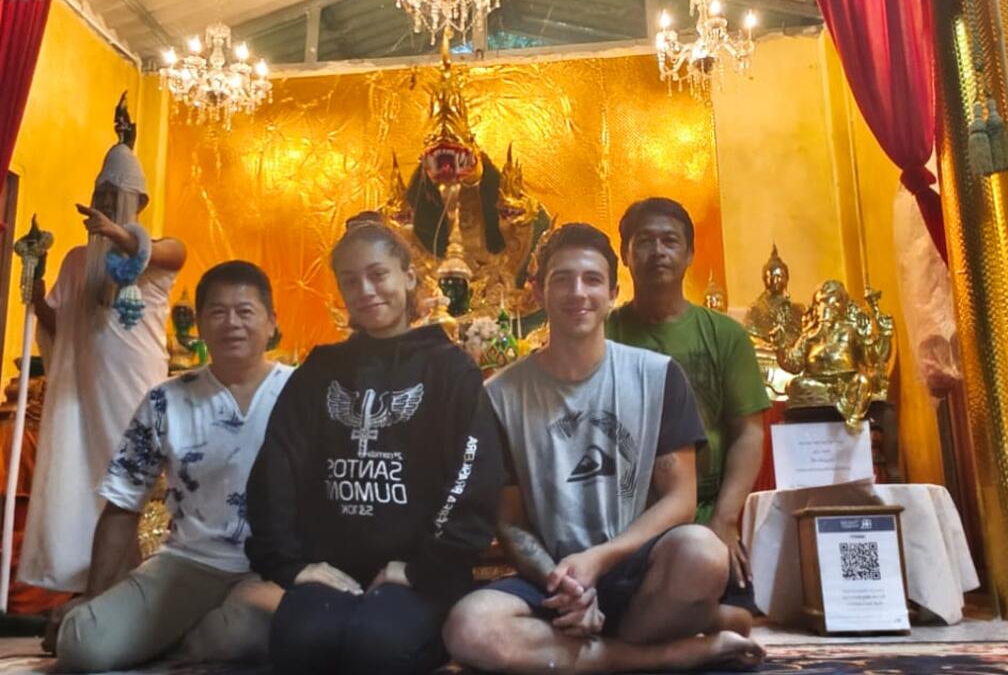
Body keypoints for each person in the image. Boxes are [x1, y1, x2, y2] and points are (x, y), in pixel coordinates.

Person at [444, 223, 764, 673]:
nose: (578, 292)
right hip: (554, 576)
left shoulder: (656, 375)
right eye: (562, 279)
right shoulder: (499, 395)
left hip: (638, 567)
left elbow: (680, 500)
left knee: (703, 553)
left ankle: (599, 649)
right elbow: (510, 521)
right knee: (468, 627)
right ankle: (678, 649)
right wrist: (566, 583)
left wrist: (599, 560)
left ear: (613, 293)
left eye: (592, 280)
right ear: (537, 292)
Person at [245, 219, 504, 675]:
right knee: (300, 641)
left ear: (408, 276)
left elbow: (472, 477)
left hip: (420, 573)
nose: (365, 290)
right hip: (333, 570)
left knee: (377, 648)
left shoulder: (449, 370)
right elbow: (278, 466)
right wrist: (290, 565)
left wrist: (422, 569)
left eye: (378, 274)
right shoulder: (321, 371)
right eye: (350, 280)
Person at [50, 261, 293, 671]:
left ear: (271, 322)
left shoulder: (302, 391)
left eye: (245, 311)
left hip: (272, 567)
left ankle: (188, 639)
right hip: (188, 561)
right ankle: (181, 638)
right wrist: (95, 594)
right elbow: (123, 501)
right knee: (82, 645)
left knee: (244, 635)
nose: (232, 323)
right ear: (200, 324)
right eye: (218, 312)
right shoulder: (166, 400)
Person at [20, 98, 187, 592]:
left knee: (132, 484)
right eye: (102, 194)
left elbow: (174, 254)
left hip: (134, 389)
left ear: (139, 203)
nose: (107, 203)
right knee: (82, 477)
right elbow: (61, 323)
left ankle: (136, 583)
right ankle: (86, 584)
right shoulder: (77, 260)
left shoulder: (156, 253)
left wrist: (120, 234)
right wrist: (36, 291)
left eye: (117, 196)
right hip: (85, 393)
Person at [606, 198, 770, 596]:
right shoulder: (604, 334)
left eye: (670, 241)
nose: (657, 251)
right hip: (624, 516)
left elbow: (748, 433)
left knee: (727, 601)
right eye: (644, 241)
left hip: (706, 511)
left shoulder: (725, 336)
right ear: (625, 254)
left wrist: (724, 520)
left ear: (690, 254)